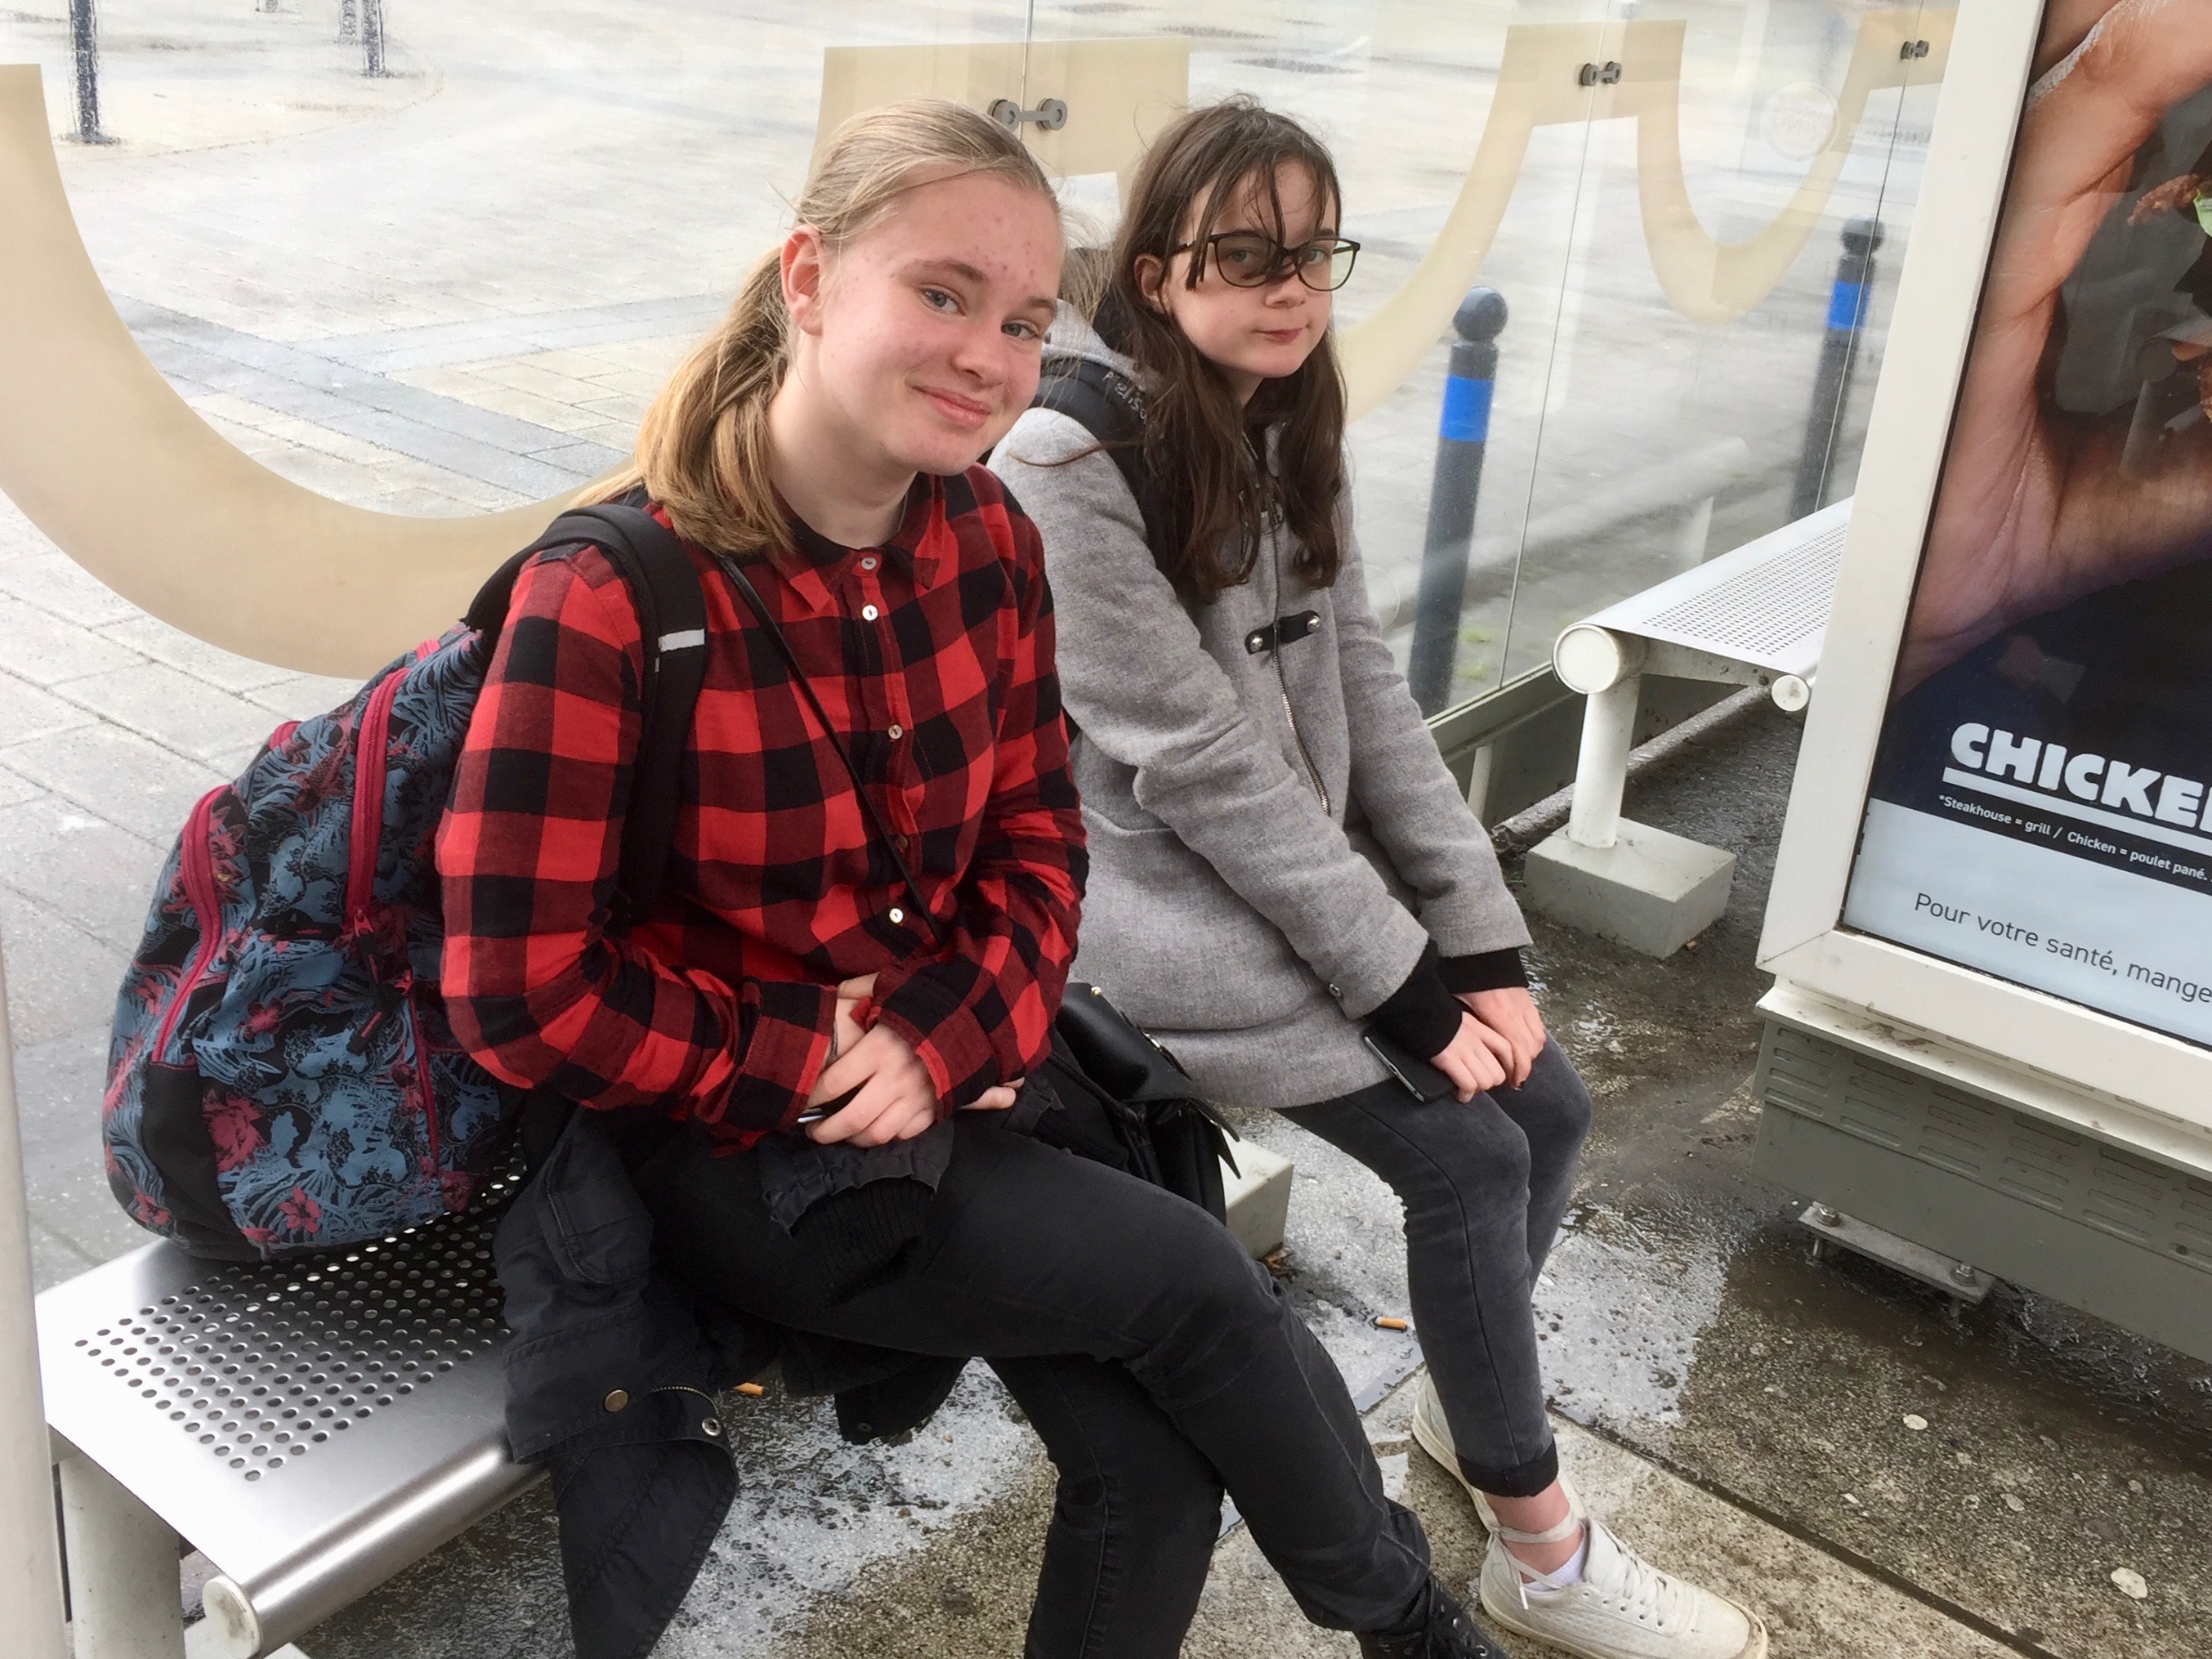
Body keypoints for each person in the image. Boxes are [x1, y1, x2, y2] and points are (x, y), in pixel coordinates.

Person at [436, 98, 1499, 1659]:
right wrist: (802, 1048)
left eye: (1021, 320)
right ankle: (1417, 1630)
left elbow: (1038, 845)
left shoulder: (987, 538)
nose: (988, 356)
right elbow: (515, 987)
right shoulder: (613, 594)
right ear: (809, 280)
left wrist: (941, 1034)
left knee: (1154, 1454)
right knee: (1202, 1284)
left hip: (953, 1080)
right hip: (734, 1145)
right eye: (941, 293)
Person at [991, 98, 1766, 1659]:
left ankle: (1475, 1428)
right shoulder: (1065, 459)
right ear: (1156, 269)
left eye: (1316, 252)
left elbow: (1367, 684)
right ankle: (1543, 1551)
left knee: (1548, 1106)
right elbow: (1197, 763)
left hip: (1294, 888)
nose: (1292, 287)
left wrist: (1475, 942)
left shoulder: (1280, 411)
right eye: (1247, 254)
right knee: (1468, 1157)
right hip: (1151, 923)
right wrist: (1403, 986)